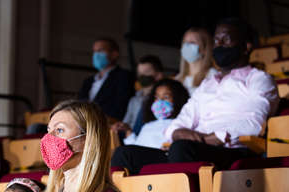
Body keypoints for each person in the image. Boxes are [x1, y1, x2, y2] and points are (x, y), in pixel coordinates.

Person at [112, 18, 279, 173]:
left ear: (246, 46)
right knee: (124, 154)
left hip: (232, 150)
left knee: (181, 149)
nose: (218, 44)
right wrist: (187, 135)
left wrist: (216, 137)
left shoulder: (259, 79)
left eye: (225, 39)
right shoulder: (208, 85)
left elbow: (253, 123)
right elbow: (178, 123)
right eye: (216, 40)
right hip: (194, 148)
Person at [111, 79, 189, 174]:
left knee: (122, 153)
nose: (160, 101)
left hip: (163, 158)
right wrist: (128, 131)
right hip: (142, 160)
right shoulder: (147, 125)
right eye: (157, 98)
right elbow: (136, 146)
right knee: (121, 153)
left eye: (166, 97)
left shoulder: (181, 123)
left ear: (179, 99)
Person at [78, 38, 135, 121]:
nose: (96, 54)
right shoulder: (88, 81)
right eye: (94, 51)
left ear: (114, 54)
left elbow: (121, 106)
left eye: (100, 51)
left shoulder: (124, 76)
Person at [111, 55, 164, 136]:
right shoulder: (134, 100)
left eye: (146, 72)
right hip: (130, 136)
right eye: (139, 73)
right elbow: (126, 122)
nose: (141, 76)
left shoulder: (162, 99)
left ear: (159, 75)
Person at [175, 27, 218, 95]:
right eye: (185, 42)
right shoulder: (178, 79)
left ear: (205, 49)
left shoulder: (212, 75)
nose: (187, 46)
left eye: (192, 42)